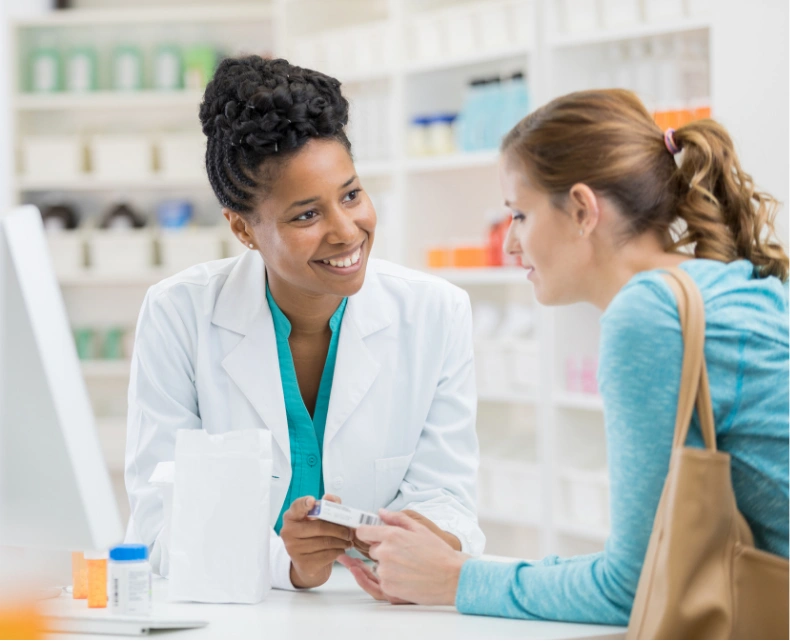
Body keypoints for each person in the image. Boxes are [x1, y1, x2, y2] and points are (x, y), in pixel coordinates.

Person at [342, 88, 790, 624]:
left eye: (520, 215)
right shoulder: (724, 283)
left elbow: (630, 587)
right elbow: (650, 563)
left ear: (581, 209)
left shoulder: (648, 314)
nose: (510, 244)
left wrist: (456, 579)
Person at [124, 56, 485, 591]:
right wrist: (289, 564)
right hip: (234, 611)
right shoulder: (179, 315)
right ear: (243, 229)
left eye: (351, 195)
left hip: (380, 613)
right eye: (306, 215)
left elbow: (448, 496)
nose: (347, 232)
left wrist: (418, 540)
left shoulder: (435, 312)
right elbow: (159, 524)